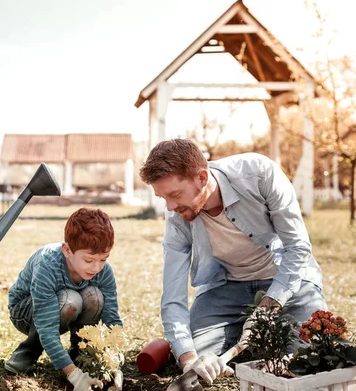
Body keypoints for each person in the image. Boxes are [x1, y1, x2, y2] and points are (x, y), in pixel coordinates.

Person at [139, 138, 327, 384]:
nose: (170, 206)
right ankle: (244, 335)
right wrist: (188, 359)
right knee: (195, 352)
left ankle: (260, 332)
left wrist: (269, 304)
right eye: (163, 198)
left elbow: (297, 246)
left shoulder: (260, 174)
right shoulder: (176, 216)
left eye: (174, 194)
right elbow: (172, 294)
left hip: (286, 282)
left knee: (303, 354)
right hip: (225, 288)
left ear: (202, 178)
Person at [5, 208, 123, 391]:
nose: (96, 268)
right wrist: (73, 375)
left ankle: (79, 355)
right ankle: (27, 353)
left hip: (65, 306)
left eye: (103, 259)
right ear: (67, 250)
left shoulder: (103, 272)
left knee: (96, 297)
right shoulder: (47, 266)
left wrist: (113, 364)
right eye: (89, 260)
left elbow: (112, 319)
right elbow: (46, 326)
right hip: (25, 312)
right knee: (71, 299)